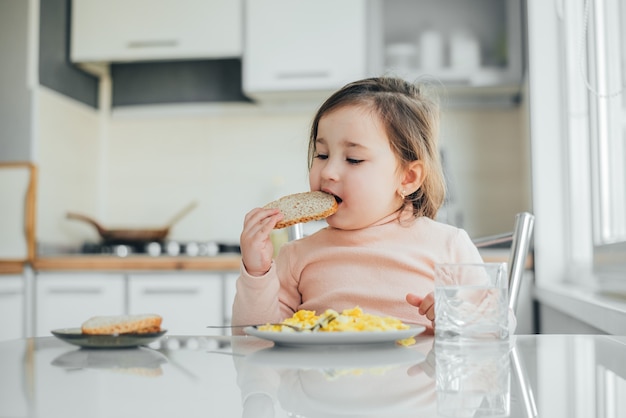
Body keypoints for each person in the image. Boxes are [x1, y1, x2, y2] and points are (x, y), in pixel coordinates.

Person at [232, 76, 489, 334]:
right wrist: (257, 273)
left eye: (353, 159)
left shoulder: (448, 246)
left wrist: (460, 316)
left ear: (408, 178)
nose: (328, 171)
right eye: (321, 155)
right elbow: (255, 342)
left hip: (418, 373)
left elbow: (498, 327)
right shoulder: (296, 255)